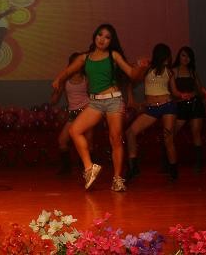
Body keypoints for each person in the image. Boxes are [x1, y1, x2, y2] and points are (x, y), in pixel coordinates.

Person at [52, 24, 147, 192]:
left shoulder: (113, 55)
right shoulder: (84, 58)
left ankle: (117, 179)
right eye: (100, 35)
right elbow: (67, 71)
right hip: (95, 103)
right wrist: (58, 79)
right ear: (94, 36)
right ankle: (89, 168)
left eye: (107, 37)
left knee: (115, 139)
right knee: (74, 130)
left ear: (111, 41)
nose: (102, 39)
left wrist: (141, 67)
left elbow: (133, 75)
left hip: (113, 100)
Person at [125, 43, 178, 181]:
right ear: (161, 56)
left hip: (168, 106)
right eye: (166, 56)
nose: (168, 59)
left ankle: (173, 169)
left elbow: (175, 91)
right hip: (151, 108)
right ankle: (133, 167)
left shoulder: (169, 71)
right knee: (130, 132)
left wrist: (184, 95)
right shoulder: (147, 69)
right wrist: (131, 100)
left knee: (168, 137)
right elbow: (131, 79)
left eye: (169, 57)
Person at [50, 52, 91, 175]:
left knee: (88, 142)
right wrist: (56, 90)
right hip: (73, 113)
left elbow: (93, 94)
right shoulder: (65, 79)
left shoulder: (86, 78)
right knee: (62, 141)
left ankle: (87, 169)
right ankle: (66, 168)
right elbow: (53, 101)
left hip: (86, 110)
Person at [170, 46, 206, 173]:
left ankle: (198, 163)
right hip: (181, 105)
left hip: (195, 104)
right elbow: (173, 91)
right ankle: (168, 162)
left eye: (188, 56)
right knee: (171, 133)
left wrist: (199, 94)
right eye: (183, 55)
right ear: (179, 56)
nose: (186, 58)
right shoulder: (173, 71)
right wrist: (181, 95)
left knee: (196, 133)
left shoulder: (193, 72)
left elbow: (200, 90)